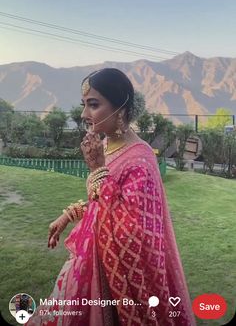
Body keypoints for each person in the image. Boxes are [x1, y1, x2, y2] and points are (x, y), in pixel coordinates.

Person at [27, 68, 196, 326]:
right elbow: (102, 204)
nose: (84, 115)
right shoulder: (106, 145)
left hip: (120, 279)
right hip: (91, 263)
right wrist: (68, 215)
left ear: (121, 109)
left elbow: (133, 231)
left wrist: (96, 169)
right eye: (84, 105)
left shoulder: (141, 160)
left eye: (93, 105)